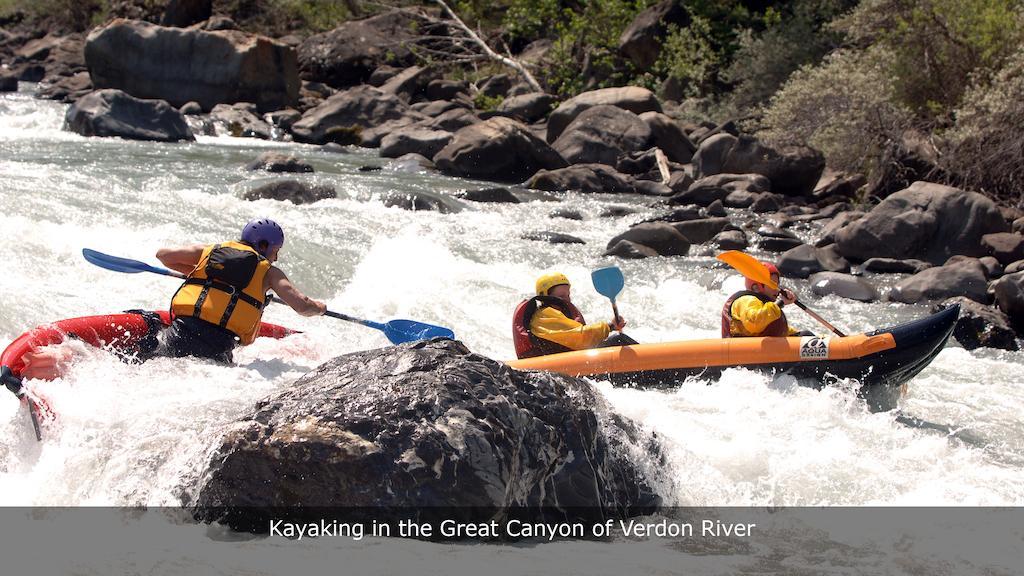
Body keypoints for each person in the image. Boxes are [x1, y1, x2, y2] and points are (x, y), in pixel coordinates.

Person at [153, 218, 327, 362]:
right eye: (276, 251)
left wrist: (200, 273)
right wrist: (320, 308)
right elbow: (302, 306)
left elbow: (164, 255)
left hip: (178, 336)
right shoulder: (269, 272)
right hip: (217, 349)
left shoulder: (209, 252)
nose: (276, 257)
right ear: (263, 245)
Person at [512, 272, 635, 359]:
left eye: (568, 295)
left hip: (570, 361)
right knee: (618, 340)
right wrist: (610, 327)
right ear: (546, 295)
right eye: (561, 296)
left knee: (617, 341)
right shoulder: (544, 315)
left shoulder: (558, 314)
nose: (567, 300)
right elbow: (581, 337)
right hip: (559, 366)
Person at [722, 261, 806, 338]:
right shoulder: (746, 300)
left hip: (766, 350)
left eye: (777, 284)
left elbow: (779, 330)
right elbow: (755, 323)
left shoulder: (766, 306)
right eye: (772, 284)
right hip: (743, 351)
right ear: (756, 287)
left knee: (805, 335)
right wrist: (781, 302)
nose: (776, 289)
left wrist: (800, 336)